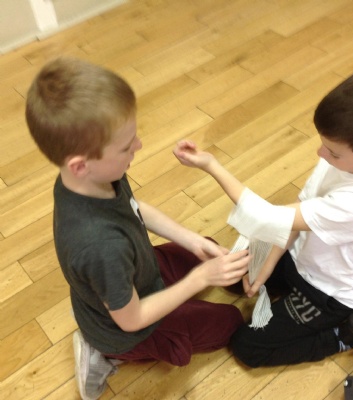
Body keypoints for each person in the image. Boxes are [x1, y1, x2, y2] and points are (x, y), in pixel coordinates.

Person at [25, 56, 251, 399]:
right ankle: (104, 352)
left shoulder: (90, 178)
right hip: (128, 327)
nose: (139, 145)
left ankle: (111, 318)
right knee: (231, 322)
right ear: (81, 165)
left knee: (204, 247)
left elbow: (134, 208)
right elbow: (132, 320)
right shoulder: (100, 246)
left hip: (133, 273)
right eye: (126, 145)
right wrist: (199, 280)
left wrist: (191, 240)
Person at [173, 61, 353, 368]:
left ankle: (349, 332)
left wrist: (211, 165)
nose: (321, 155)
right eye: (324, 145)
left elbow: (267, 217)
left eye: (332, 152)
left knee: (248, 347)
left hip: (330, 293)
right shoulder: (342, 158)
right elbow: (296, 215)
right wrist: (266, 265)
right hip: (301, 257)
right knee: (236, 278)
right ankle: (287, 284)